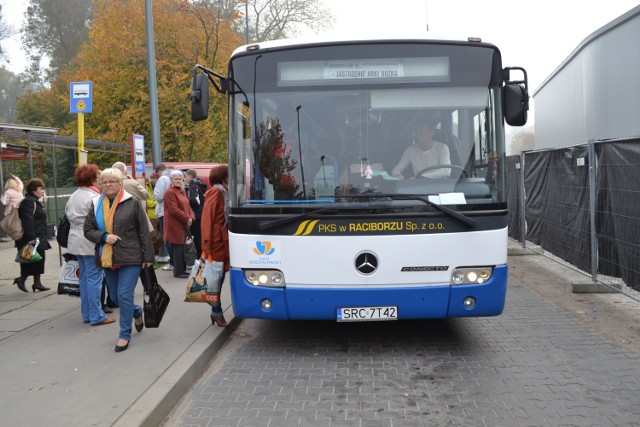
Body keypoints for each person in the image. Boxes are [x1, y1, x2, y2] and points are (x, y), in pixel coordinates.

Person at [84, 168, 154, 353]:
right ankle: (137, 312)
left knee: (123, 295)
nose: (108, 184)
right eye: (104, 181)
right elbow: (88, 230)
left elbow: (143, 232)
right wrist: (104, 236)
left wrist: (147, 256)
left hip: (131, 256)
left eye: (112, 181)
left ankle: (124, 335)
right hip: (107, 257)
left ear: (120, 183)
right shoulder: (95, 203)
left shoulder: (131, 202)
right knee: (115, 298)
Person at [66, 164, 114, 325]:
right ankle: (96, 315)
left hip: (75, 239)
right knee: (94, 278)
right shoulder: (94, 197)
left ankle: (87, 313)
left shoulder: (74, 195)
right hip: (90, 239)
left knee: (85, 278)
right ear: (93, 179)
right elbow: (100, 220)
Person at [201, 164, 230, 327]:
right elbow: (207, 218)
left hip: (222, 243)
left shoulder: (225, 191)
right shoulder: (216, 191)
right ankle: (216, 313)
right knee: (215, 280)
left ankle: (215, 312)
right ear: (223, 177)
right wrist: (207, 245)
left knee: (218, 278)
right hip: (215, 244)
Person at [13, 178, 51, 293]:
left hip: (38, 236)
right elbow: (27, 221)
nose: (42, 191)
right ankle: (22, 279)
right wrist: (31, 238)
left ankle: (37, 283)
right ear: (34, 190)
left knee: (38, 259)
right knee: (28, 260)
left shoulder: (34, 201)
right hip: (31, 237)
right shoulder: (28, 202)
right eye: (40, 188)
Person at [163, 170, 194, 278]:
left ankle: (182, 270)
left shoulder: (181, 191)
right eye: (175, 179)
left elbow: (188, 206)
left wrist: (190, 217)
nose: (178, 181)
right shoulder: (169, 192)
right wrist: (187, 218)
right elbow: (174, 210)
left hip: (183, 223)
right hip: (175, 224)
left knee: (183, 247)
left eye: (180, 179)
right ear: (171, 180)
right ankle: (178, 271)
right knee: (178, 248)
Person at [153, 163, 173, 269]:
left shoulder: (163, 179)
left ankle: (172, 262)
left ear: (159, 171)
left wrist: (154, 195)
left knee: (167, 237)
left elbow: (159, 196)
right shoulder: (173, 177)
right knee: (174, 237)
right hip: (172, 211)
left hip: (163, 211)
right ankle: (178, 261)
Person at [185, 169, 206, 256]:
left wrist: (187, 202)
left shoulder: (193, 185)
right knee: (200, 236)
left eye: (185, 177)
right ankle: (202, 255)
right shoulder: (200, 183)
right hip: (202, 213)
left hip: (196, 215)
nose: (185, 179)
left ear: (190, 176)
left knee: (196, 237)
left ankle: (199, 256)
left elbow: (194, 201)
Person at [146, 172, 162, 253]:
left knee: (158, 236)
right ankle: (151, 255)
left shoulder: (153, 186)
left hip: (156, 215)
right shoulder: (147, 187)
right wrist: (157, 202)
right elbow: (147, 203)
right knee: (153, 237)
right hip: (150, 216)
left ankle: (153, 254)